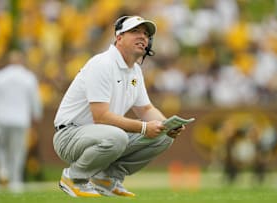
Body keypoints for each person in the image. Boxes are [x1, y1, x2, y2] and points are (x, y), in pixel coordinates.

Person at [53, 15, 186, 198]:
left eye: (146, 34)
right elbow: (100, 116)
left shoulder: (135, 71)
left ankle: (106, 179)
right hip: (69, 136)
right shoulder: (103, 63)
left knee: (163, 137)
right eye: (135, 31)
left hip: (101, 135)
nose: (143, 37)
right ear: (119, 37)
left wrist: (167, 125)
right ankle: (74, 178)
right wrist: (144, 127)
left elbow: (146, 110)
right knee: (117, 137)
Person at [0, 51, 43, 193]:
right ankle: (15, 181)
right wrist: (37, 115)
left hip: (2, 118)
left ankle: (3, 170)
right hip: (20, 119)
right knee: (18, 150)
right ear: (22, 61)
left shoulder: (1, 76)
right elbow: (35, 100)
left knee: (2, 147)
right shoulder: (28, 77)